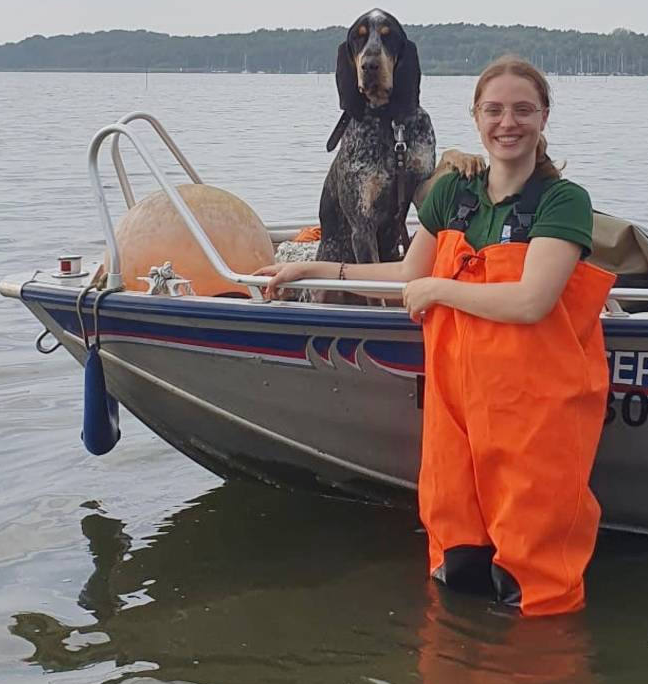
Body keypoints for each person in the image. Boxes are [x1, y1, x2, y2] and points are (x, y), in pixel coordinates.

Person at [256, 55, 613, 616]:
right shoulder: (452, 195)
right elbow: (405, 276)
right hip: (455, 403)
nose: (508, 122)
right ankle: (462, 678)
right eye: (494, 110)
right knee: (456, 559)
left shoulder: (562, 201)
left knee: (537, 572)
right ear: (475, 117)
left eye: (523, 109)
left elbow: (531, 301)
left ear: (544, 117)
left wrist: (441, 291)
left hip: (536, 408)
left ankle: (543, 681)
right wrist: (317, 269)